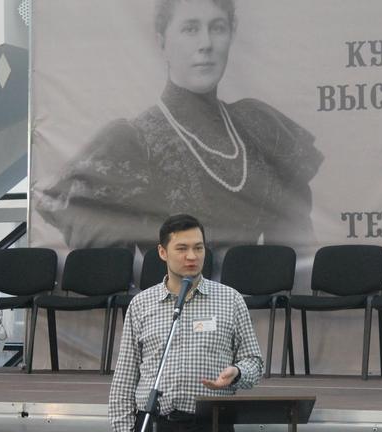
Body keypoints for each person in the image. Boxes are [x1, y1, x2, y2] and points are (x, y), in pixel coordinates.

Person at [36, 0, 324, 251]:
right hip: (170, 295)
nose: (206, 44)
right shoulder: (133, 142)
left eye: (217, 28)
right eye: (190, 29)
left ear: (232, 33)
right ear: (162, 41)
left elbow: (295, 251)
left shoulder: (259, 127)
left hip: (249, 295)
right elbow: (103, 257)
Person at [107, 214, 263, 432]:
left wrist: (237, 372)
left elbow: (254, 362)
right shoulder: (141, 305)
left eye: (198, 248)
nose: (192, 256)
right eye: (182, 248)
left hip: (211, 428)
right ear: (162, 252)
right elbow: (125, 380)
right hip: (156, 430)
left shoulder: (230, 300)